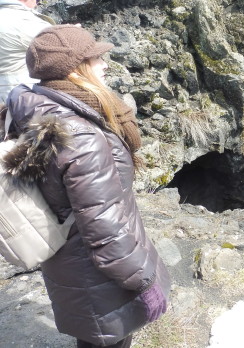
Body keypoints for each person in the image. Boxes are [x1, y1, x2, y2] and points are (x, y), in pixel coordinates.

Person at [3, 25, 170, 347]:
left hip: (70, 262)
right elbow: (103, 225)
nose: (105, 63)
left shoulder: (34, 108)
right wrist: (142, 280)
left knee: (95, 338)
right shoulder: (80, 135)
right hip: (97, 274)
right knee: (109, 339)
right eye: (96, 58)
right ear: (76, 70)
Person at [0, 0, 54, 102]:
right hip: (16, 93)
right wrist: (74, 32)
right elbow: (57, 43)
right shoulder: (23, 21)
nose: (36, 5)